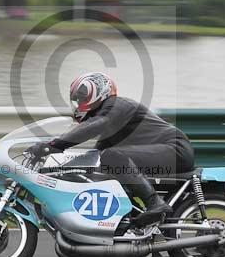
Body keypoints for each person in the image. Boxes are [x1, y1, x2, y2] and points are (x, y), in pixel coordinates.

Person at [27, 72, 195, 226]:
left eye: (82, 97)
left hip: (175, 149)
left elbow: (95, 125)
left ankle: (155, 203)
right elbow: (93, 157)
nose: (79, 103)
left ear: (99, 90)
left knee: (112, 155)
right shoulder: (110, 123)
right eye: (77, 100)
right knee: (103, 167)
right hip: (164, 151)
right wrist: (58, 168)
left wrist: (54, 145)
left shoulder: (117, 105)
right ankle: (131, 215)